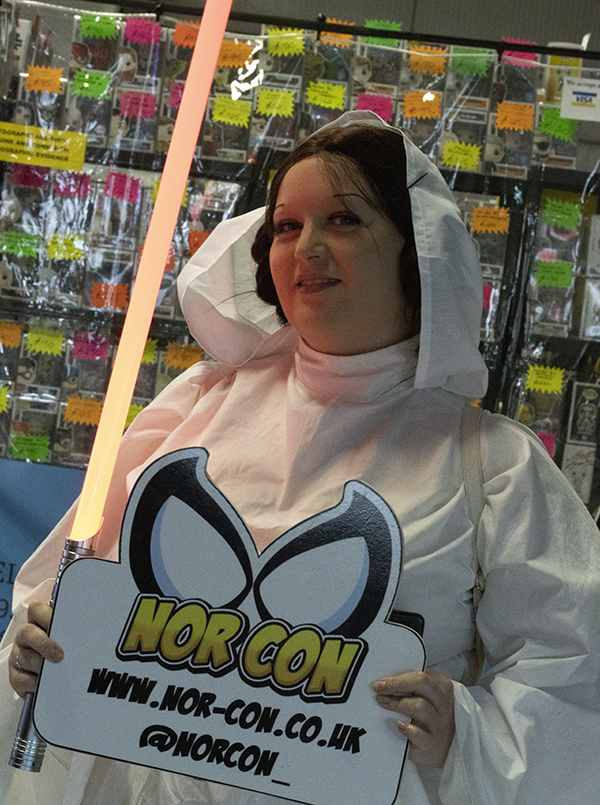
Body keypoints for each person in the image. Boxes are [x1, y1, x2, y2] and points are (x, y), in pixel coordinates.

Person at [1, 110, 600, 805]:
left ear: (418, 251)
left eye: (343, 220)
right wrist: (39, 647)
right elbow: (65, 590)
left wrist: (461, 733)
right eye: (286, 226)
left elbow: (571, 681)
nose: (306, 247)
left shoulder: (494, 466)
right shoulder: (195, 406)